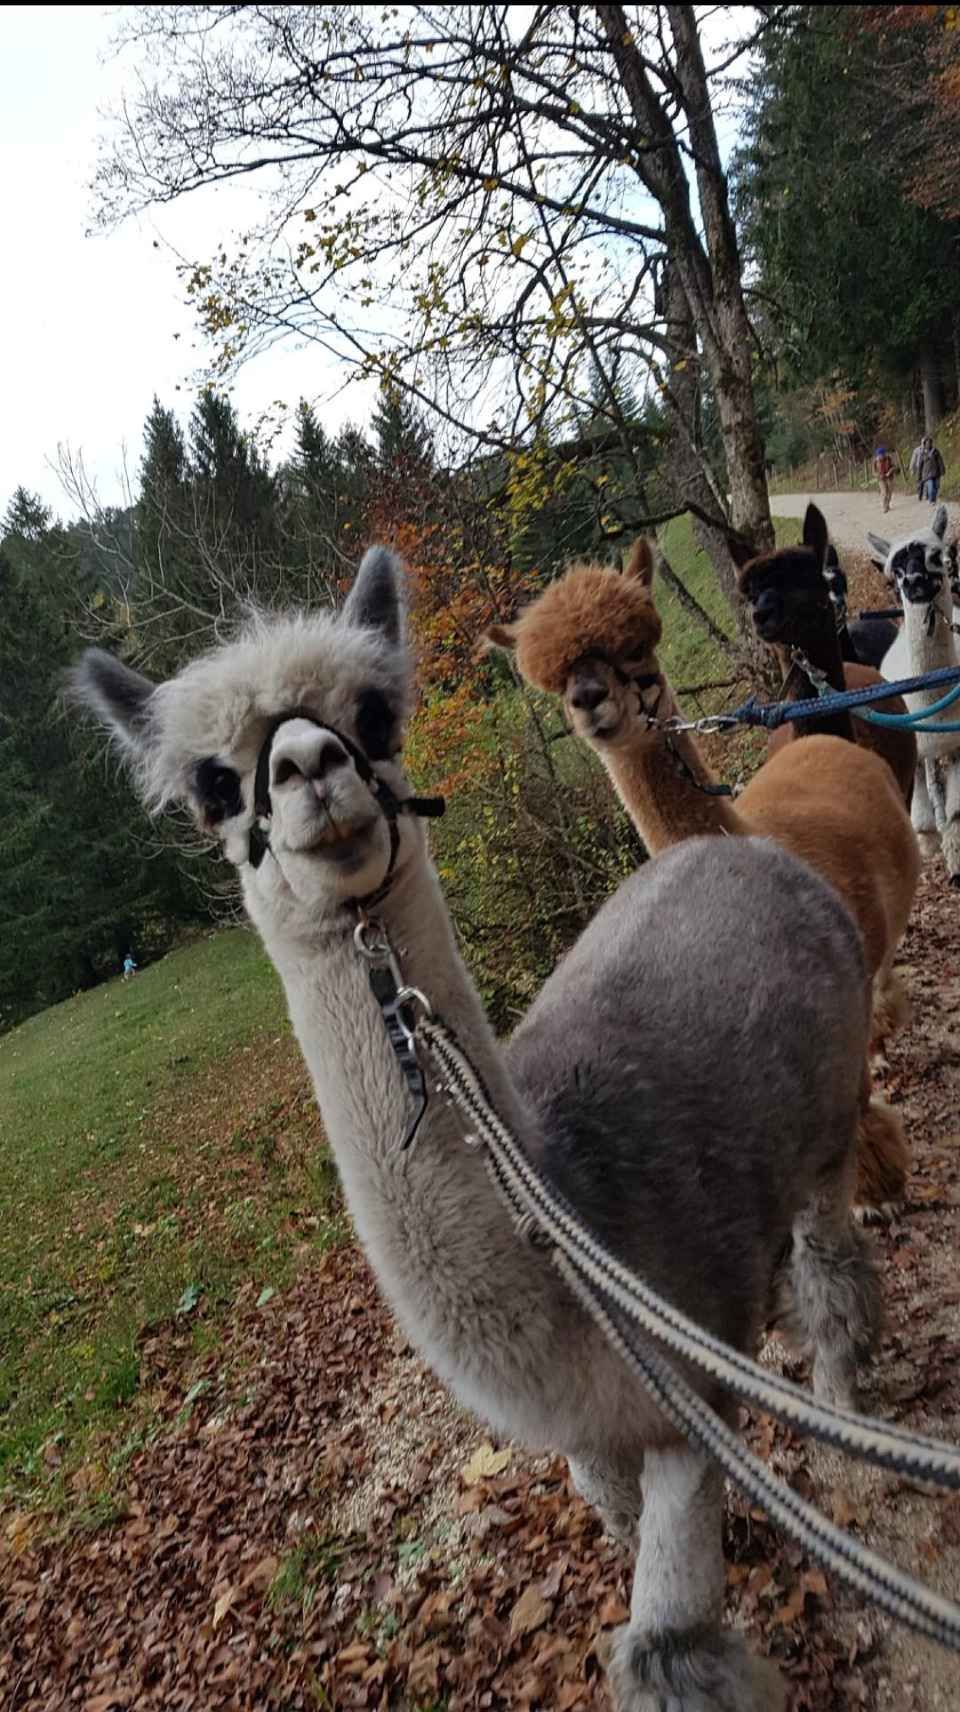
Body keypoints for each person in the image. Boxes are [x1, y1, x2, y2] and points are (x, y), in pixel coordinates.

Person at [917, 435, 945, 504]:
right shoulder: (922, 453)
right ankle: (931, 500)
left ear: (931, 443)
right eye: (927, 443)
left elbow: (940, 461)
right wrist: (919, 475)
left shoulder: (935, 451)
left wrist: (942, 470)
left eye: (929, 442)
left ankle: (933, 499)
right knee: (931, 486)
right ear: (924, 444)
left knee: (936, 487)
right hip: (927, 474)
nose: (928, 444)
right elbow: (920, 465)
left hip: (936, 472)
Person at [872, 445, 897, 513]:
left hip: (889, 477)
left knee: (890, 492)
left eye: (882, 454)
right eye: (879, 455)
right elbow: (873, 472)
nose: (881, 456)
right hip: (881, 479)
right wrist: (879, 475)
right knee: (884, 492)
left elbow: (894, 466)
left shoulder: (889, 458)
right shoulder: (875, 461)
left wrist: (890, 471)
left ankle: (887, 504)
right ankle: (884, 507)